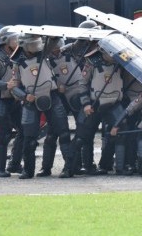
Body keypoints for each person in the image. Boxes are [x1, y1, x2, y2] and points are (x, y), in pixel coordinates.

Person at [11, 34, 74, 179]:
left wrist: (48, 34)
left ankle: (69, 168)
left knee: (63, 133)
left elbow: (53, 41)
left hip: (52, 95)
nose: (35, 46)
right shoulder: (17, 62)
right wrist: (24, 96)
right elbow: (14, 87)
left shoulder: (44, 53)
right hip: (31, 101)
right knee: (29, 138)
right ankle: (28, 170)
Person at [36, 37, 87, 176]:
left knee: (81, 130)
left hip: (76, 91)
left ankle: (77, 165)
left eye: (57, 47)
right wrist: (57, 85)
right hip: (58, 95)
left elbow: (80, 44)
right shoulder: (43, 58)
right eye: (53, 48)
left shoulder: (70, 51)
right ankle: (46, 167)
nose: (55, 51)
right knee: (53, 133)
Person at [74, 43, 125, 175]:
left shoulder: (122, 60)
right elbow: (82, 84)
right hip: (94, 103)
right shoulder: (91, 62)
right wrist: (85, 104)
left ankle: (107, 165)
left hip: (114, 103)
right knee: (83, 136)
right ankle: (81, 165)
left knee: (118, 132)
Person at [0, 26, 24, 177]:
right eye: (15, 38)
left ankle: (14, 164)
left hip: (13, 99)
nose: (18, 41)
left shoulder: (19, 55)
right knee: (5, 132)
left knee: (24, 130)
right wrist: (7, 85)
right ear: (6, 41)